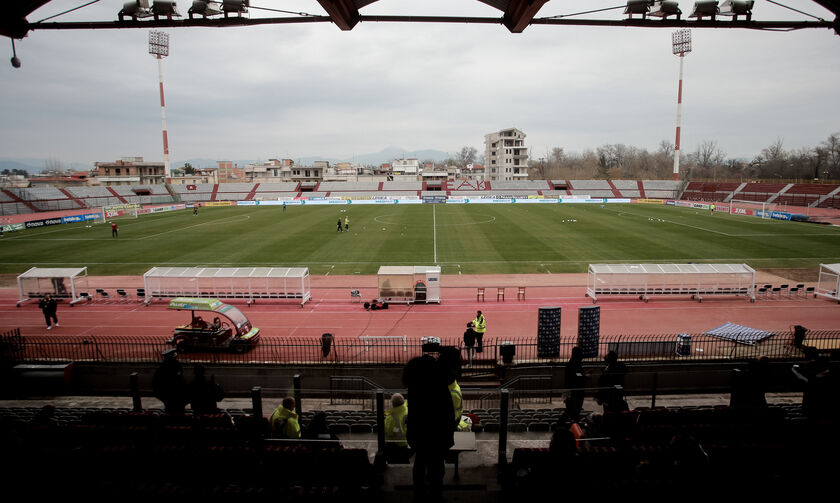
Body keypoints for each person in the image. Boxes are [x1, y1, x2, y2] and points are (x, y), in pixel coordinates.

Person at [403, 354, 455, 499]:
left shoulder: (414, 387)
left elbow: (414, 413)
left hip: (419, 434)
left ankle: (419, 493)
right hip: (437, 435)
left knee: (420, 463)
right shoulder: (439, 386)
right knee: (437, 467)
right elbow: (447, 412)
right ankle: (435, 493)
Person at [152, 349, 188, 414]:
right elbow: (181, 380)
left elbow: (155, 383)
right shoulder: (176, 365)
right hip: (176, 393)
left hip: (166, 394)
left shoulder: (161, 368)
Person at [384, 393, 410, 462]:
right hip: (405, 443)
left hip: (394, 446)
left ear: (393, 403)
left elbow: (389, 432)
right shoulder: (406, 410)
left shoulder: (391, 417)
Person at [564, 346, 586, 421]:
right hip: (575, 392)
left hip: (573, 391)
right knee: (573, 411)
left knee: (572, 410)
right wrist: (584, 376)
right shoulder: (574, 364)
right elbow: (577, 374)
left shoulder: (572, 363)